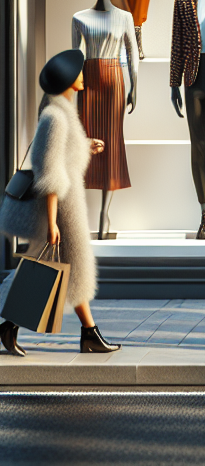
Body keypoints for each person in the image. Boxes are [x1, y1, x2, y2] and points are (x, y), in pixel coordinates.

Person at [0, 50, 121, 356]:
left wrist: (85, 145)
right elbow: (49, 170)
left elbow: (62, 154)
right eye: (78, 72)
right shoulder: (55, 117)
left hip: (68, 207)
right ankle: (12, 325)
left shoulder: (62, 113)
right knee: (46, 270)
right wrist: (53, 221)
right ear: (67, 79)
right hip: (62, 210)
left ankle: (88, 333)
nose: (82, 76)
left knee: (72, 270)